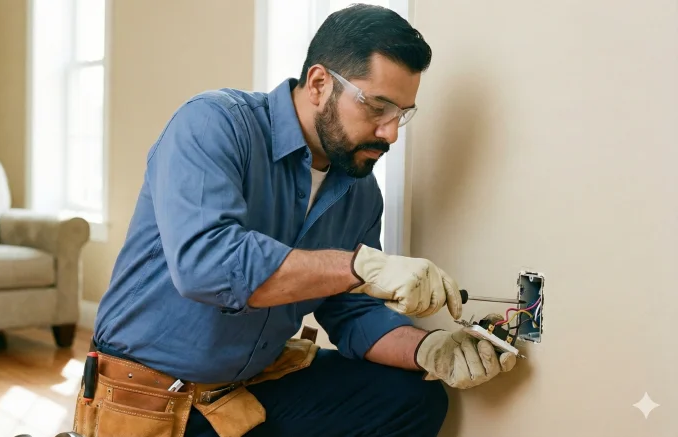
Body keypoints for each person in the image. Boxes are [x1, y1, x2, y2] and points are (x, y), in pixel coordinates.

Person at [79, 4, 516, 437]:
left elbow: (350, 308)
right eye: (377, 107)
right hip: (148, 400)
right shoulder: (213, 123)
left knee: (411, 398)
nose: (391, 133)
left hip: (248, 387)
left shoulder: (360, 191)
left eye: (401, 113)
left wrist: (427, 349)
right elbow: (205, 264)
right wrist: (357, 266)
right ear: (320, 84)